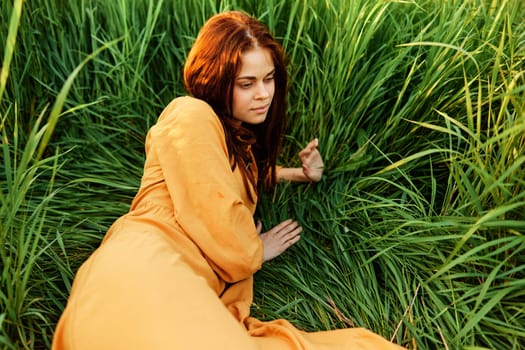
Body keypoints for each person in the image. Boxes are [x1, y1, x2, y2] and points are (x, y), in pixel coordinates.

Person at [52, 10, 404, 350]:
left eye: (268, 79)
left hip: (184, 270)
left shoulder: (232, 142)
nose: (264, 94)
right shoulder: (190, 114)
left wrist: (301, 174)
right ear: (215, 81)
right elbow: (215, 208)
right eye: (247, 83)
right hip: (150, 255)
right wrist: (256, 249)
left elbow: (232, 177)